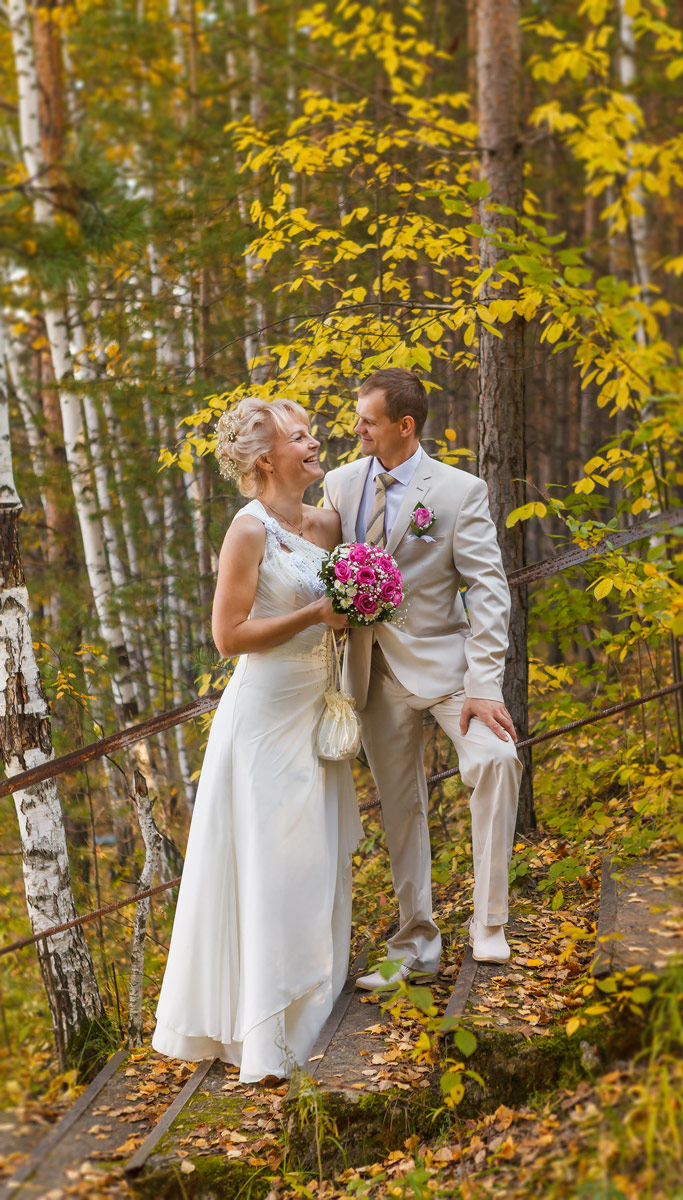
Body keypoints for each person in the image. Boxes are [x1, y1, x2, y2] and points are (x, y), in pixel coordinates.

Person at [152, 397, 362, 1082]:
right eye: (301, 437)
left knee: (319, 854)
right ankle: (267, 1036)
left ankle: (315, 997)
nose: (314, 443)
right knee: (274, 861)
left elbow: (347, 602)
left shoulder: (328, 521)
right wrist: (314, 613)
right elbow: (227, 637)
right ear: (267, 459)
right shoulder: (248, 531)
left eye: (312, 434)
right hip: (265, 714)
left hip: (316, 704)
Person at [323, 368, 521, 986]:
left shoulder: (459, 491)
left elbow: (488, 589)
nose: (357, 431)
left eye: (368, 422)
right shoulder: (339, 484)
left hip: (449, 670)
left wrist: (486, 685)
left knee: (495, 761)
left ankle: (489, 923)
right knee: (401, 808)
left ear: (403, 427)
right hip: (371, 673)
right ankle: (417, 943)